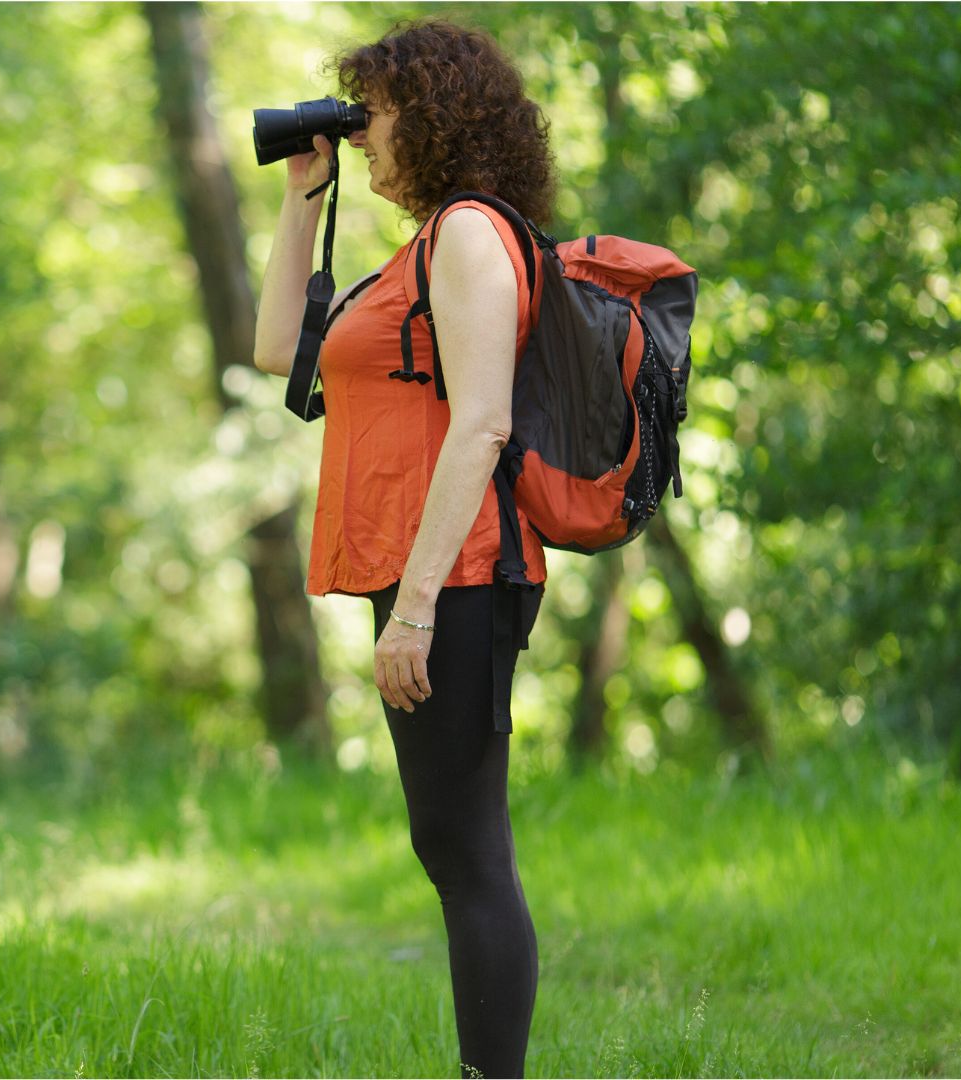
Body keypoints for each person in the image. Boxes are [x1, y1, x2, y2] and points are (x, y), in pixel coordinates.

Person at [251, 18, 557, 1080]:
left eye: (372, 114)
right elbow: (272, 348)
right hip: (427, 576)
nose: (363, 134)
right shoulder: (417, 250)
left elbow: (481, 424)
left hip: (460, 575)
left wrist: (419, 607)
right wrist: (304, 193)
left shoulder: (471, 234)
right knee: (453, 847)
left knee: (467, 853)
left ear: (430, 115)